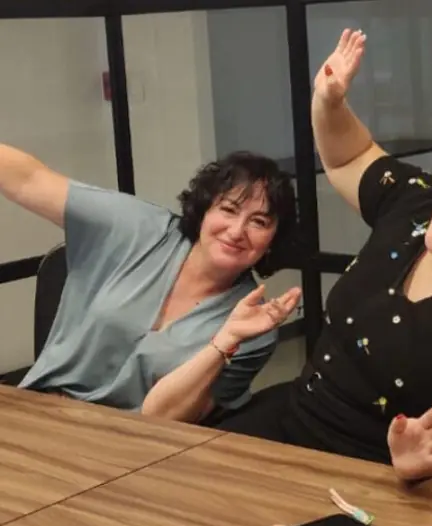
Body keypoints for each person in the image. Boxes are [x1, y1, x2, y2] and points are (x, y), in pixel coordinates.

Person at [213, 29, 432, 480]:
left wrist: (429, 450)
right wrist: (329, 100)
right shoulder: (416, 204)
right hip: (291, 415)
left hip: (367, 467)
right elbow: (346, 157)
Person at [0, 145, 302, 423]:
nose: (237, 231)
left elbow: (163, 417)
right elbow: (30, 180)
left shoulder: (253, 329)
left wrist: (225, 339)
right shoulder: (137, 228)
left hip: (134, 446)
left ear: (273, 240)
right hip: (44, 411)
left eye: (259, 222)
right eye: (228, 209)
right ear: (205, 208)